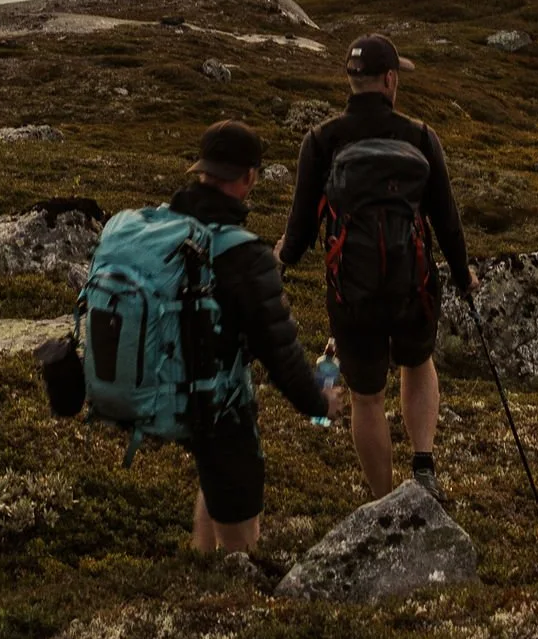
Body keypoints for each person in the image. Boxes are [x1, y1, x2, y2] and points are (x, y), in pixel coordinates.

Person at [278, 35, 473, 503]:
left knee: (368, 397)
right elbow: (446, 221)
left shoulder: (322, 140)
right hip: (414, 287)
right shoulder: (420, 136)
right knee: (418, 363)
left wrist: (278, 261)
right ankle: (423, 466)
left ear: (351, 79)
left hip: (352, 293)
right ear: (389, 80)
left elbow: (302, 230)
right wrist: (464, 277)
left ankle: (385, 501)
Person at [167, 117, 344, 556]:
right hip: (219, 399)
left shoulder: (163, 229)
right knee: (240, 520)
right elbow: (279, 351)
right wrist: (321, 402)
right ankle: (226, 600)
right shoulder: (244, 253)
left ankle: (201, 565)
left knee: (215, 473)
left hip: (164, 386)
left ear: (202, 171)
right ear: (249, 177)